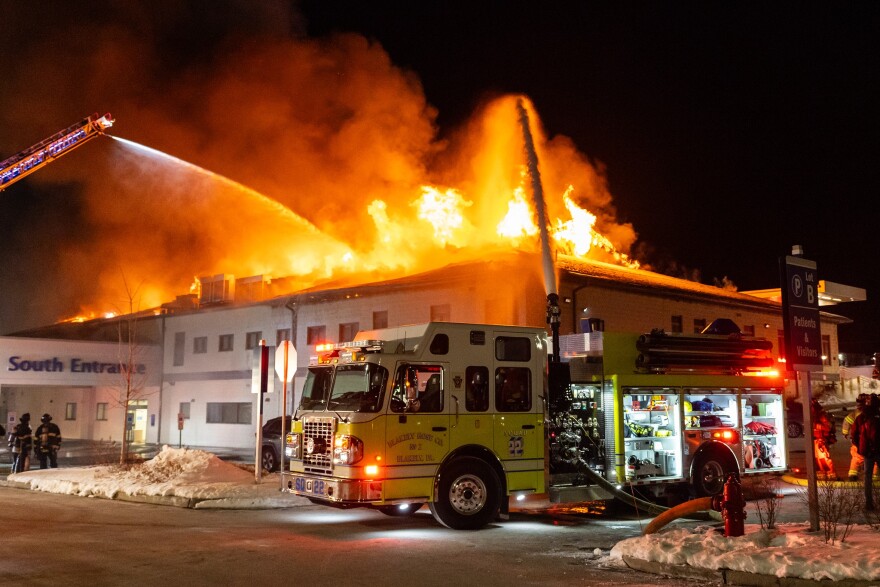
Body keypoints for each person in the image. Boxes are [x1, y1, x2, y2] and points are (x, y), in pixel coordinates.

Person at [851, 393, 880, 510]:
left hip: (867, 452)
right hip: (878, 450)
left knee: (867, 477)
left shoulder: (861, 417)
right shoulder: (878, 416)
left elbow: (854, 435)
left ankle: (869, 504)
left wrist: (861, 447)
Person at [843, 394, 879, 481]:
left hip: (861, 443)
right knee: (874, 463)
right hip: (871, 445)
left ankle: (853, 476)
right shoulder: (867, 415)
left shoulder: (858, 414)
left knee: (857, 458)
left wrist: (847, 434)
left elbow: (848, 424)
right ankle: (875, 478)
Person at [811, 399, 837, 480]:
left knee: (825, 458)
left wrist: (816, 426)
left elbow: (827, 428)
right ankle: (821, 475)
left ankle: (831, 475)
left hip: (821, 440)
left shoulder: (822, 416)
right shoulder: (814, 416)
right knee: (818, 459)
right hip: (815, 440)